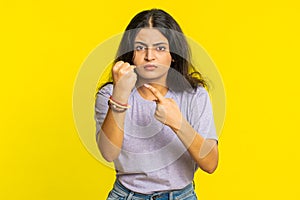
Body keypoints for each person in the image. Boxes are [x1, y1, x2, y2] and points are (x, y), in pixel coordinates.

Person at [95, 8, 218, 200]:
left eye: (160, 48)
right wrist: (120, 95)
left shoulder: (194, 95)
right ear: (130, 54)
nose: (149, 56)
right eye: (140, 47)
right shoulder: (110, 94)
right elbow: (109, 153)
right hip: (126, 195)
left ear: (173, 54)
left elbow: (210, 164)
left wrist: (177, 122)